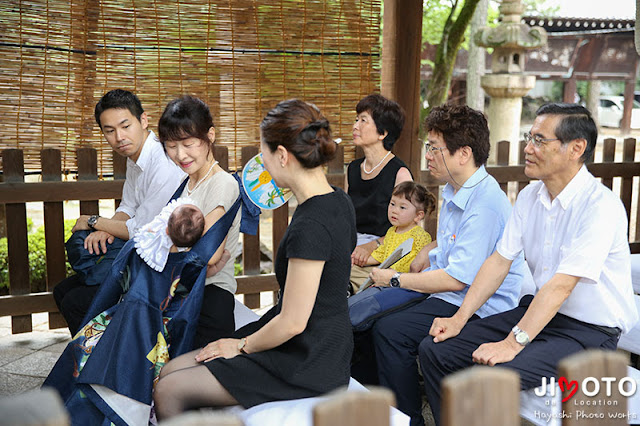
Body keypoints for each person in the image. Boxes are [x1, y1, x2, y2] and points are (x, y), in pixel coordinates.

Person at [419, 103, 639, 426]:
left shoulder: (600, 207)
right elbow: (498, 262)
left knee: (493, 374)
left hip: (591, 335)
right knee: (436, 350)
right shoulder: (529, 197)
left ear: (575, 148)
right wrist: (459, 318)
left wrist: (512, 343)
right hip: (539, 315)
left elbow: (561, 286)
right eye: (529, 137)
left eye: (539, 140)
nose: (528, 148)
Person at [152, 99, 356, 420]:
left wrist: (241, 344)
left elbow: (293, 322)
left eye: (262, 153)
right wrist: (236, 340)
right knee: (172, 368)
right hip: (311, 343)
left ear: (282, 156)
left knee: (169, 387)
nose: (259, 160)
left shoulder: (311, 224)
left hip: (309, 359)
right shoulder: (338, 201)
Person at [351, 104, 524, 426]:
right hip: (445, 289)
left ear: (464, 154)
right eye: (428, 147)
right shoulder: (455, 188)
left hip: (479, 303)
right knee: (363, 319)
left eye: (434, 148)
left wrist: (394, 279)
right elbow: (455, 247)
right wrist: (430, 248)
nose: (427, 155)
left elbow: (457, 279)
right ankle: (378, 408)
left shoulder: (484, 203)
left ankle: (407, 419)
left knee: (390, 330)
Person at [53, 89, 185, 336]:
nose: (119, 137)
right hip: (138, 253)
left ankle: (99, 364)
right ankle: (91, 360)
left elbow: (140, 230)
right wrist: (104, 228)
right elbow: (128, 207)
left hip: (161, 262)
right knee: (62, 291)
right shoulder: (135, 157)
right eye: (109, 130)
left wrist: (93, 222)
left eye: (125, 126)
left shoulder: (162, 164)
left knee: (76, 301)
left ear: (143, 121)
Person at [158, 95, 242, 349]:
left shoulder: (222, 183)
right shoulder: (187, 184)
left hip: (209, 302)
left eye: (188, 143)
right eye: (171, 146)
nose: (180, 154)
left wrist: (169, 247)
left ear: (210, 136)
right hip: (185, 293)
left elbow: (210, 253)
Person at [347, 94, 413, 270]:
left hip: (382, 253)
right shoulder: (352, 169)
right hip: (351, 249)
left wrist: (372, 246)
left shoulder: (400, 173)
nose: (355, 126)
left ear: (382, 133)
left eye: (363, 121)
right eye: (356, 120)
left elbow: (409, 230)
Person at [349, 181, 435, 293]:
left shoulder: (420, 236)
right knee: (352, 269)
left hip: (400, 278)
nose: (394, 210)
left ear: (418, 216)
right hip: (384, 270)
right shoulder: (392, 231)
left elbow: (417, 264)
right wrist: (359, 260)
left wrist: (393, 273)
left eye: (402, 207)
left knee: (368, 276)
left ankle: (350, 289)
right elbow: (381, 254)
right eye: (392, 204)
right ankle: (347, 288)